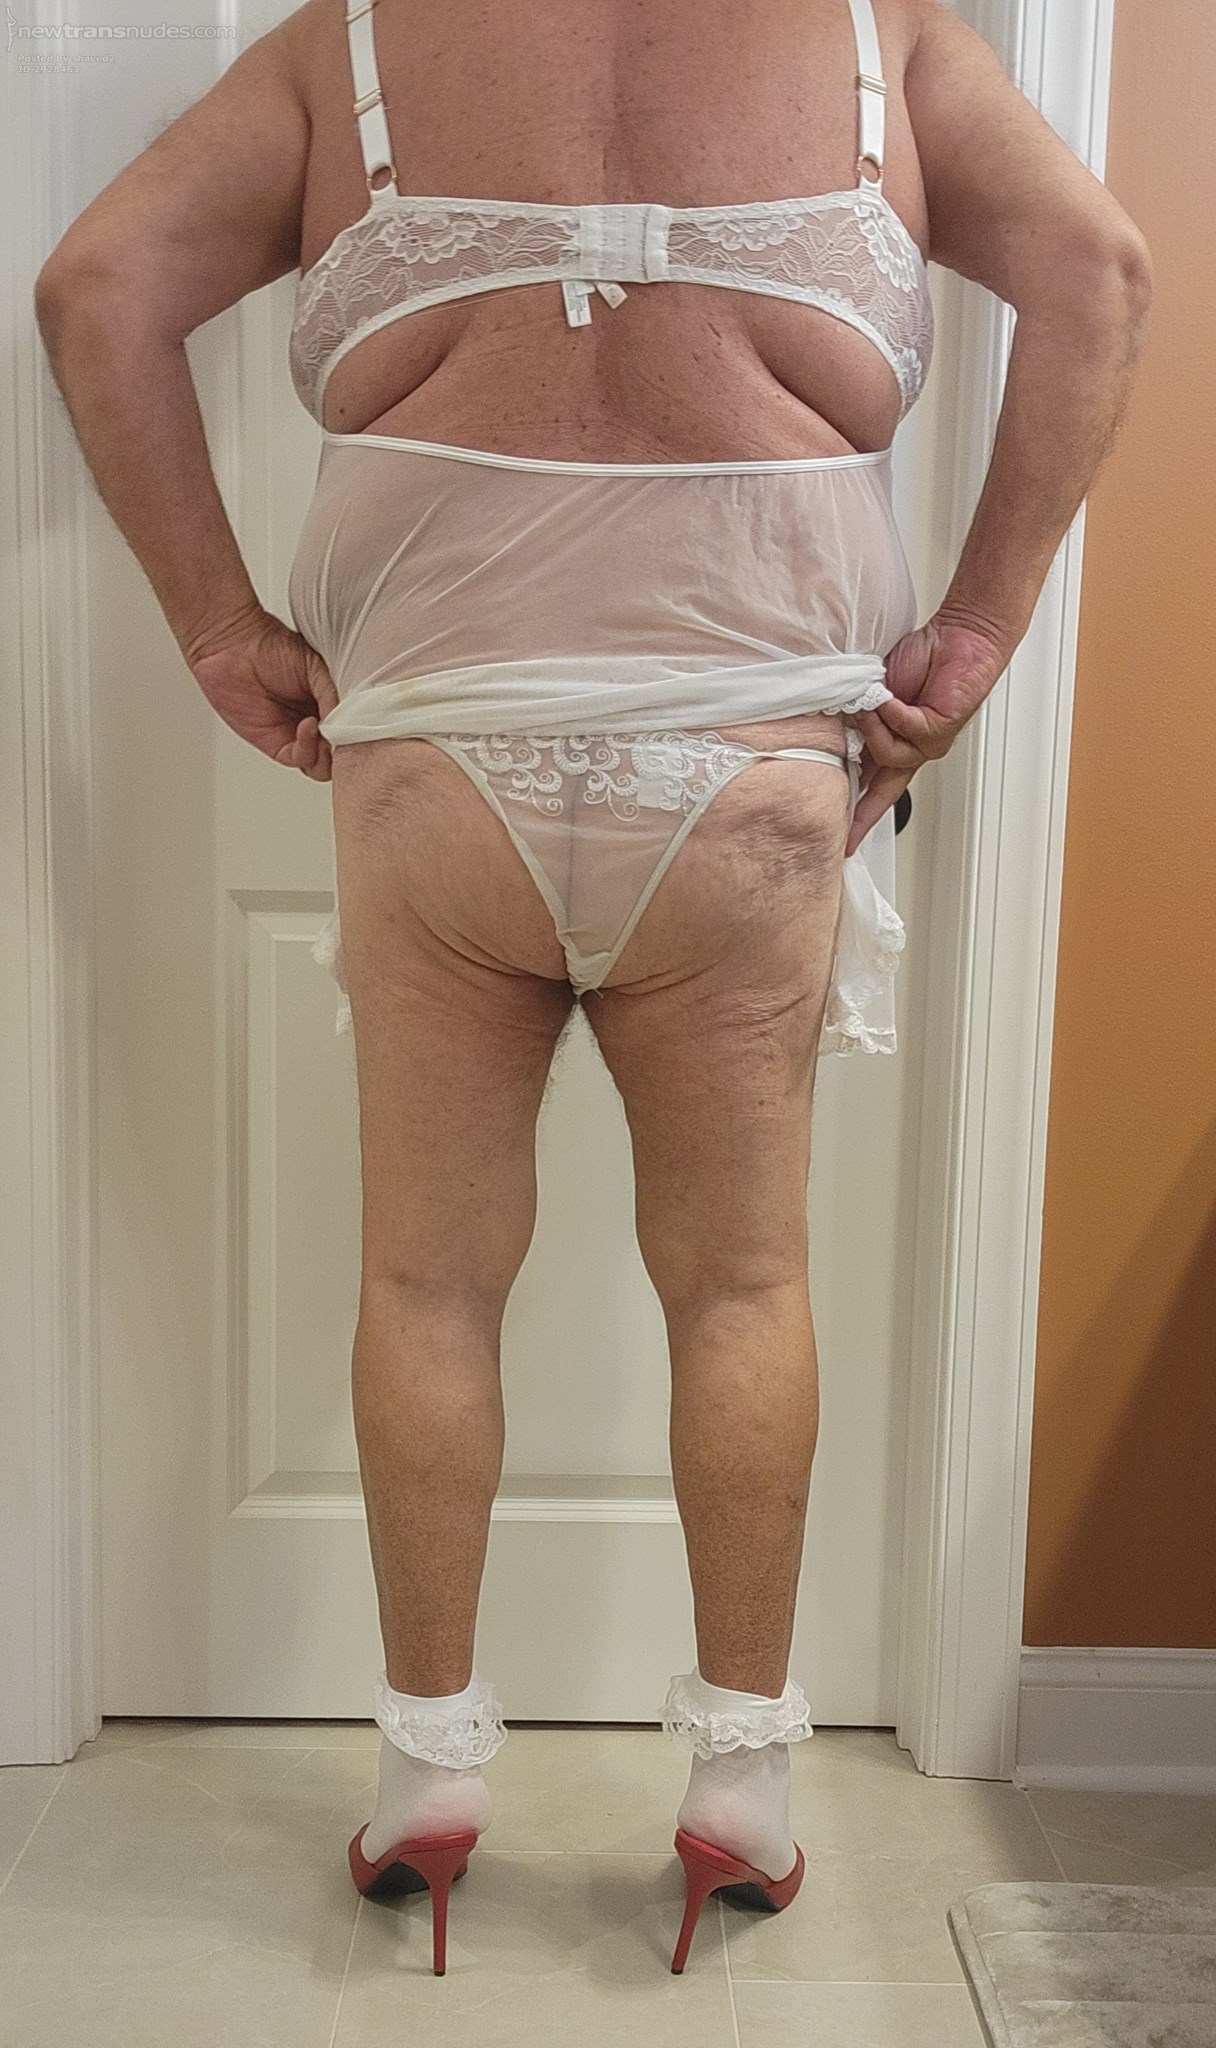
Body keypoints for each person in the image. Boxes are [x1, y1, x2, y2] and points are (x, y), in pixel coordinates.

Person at [35, 0, 1151, 1978]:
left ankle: (425, 1782)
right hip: (747, 777)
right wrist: (977, 625)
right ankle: (743, 1794)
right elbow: (1099, 271)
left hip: (435, 770)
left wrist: (218, 624)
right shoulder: (880, 40)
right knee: (740, 1287)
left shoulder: (349, 40)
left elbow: (96, 282)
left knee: (424, 1283)